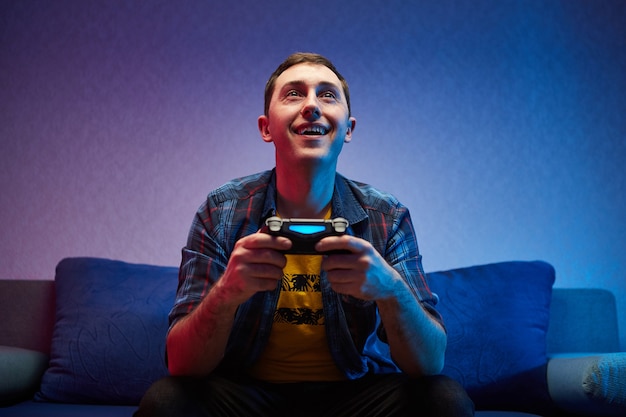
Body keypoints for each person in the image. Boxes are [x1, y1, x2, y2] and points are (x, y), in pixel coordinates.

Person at [135, 52, 474, 417]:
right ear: (266, 128)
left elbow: (429, 363)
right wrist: (228, 291)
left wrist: (389, 290)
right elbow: (182, 366)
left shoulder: (386, 216)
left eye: (327, 95)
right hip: (248, 394)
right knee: (165, 401)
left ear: (348, 129)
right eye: (294, 94)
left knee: (446, 400)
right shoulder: (222, 211)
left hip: (354, 393)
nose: (311, 105)